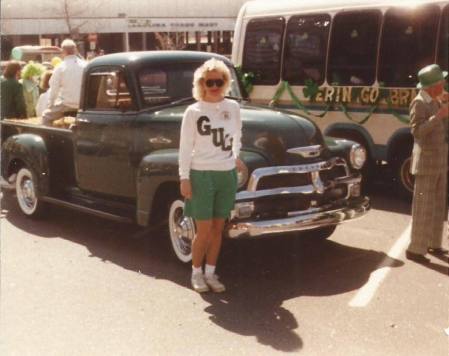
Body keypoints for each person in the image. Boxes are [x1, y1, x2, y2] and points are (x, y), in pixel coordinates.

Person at [179, 58, 246, 293]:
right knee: (204, 230)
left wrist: (235, 157)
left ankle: (211, 272)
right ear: (202, 84)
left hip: (225, 175)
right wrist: (184, 177)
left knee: (219, 229)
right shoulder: (193, 111)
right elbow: (185, 147)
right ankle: (196, 273)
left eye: (219, 81)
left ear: (226, 82)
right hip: (201, 174)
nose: (215, 86)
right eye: (210, 82)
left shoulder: (233, 108)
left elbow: (237, 136)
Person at [406, 64, 449, 263]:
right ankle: (415, 249)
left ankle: (434, 243)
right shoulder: (419, 102)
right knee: (423, 208)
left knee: (438, 206)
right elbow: (417, 132)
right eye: (442, 82)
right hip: (426, 162)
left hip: (440, 160)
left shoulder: (437, 99)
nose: (444, 85)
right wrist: (438, 116)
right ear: (432, 86)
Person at [42, 39, 86, 125]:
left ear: (63, 51)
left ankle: (49, 137)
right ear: (76, 50)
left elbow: (54, 89)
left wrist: (50, 105)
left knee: (45, 116)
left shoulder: (60, 67)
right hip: (83, 105)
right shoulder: (85, 65)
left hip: (66, 104)